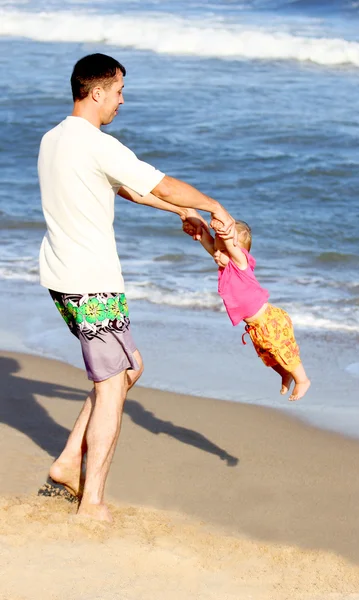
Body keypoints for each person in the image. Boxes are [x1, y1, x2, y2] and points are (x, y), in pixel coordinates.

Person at [37, 53, 235, 522]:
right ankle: (93, 503)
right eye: (119, 91)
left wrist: (179, 213)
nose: (122, 100)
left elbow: (124, 187)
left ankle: (67, 463)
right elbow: (161, 183)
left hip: (63, 279)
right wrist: (212, 206)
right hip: (92, 285)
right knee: (111, 386)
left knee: (129, 368)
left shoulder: (54, 139)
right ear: (98, 91)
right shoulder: (96, 143)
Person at [182, 220, 311, 401]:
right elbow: (212, 245)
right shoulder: (225, 263)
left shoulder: (241, 263)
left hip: (269, 320)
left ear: (236, 249)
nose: (217, 254)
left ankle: (302, 379)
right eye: (217, 251)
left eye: (223, 250)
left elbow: (231, 248)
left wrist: (224, 232)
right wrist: (202, 235)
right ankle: (285, 373)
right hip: (255, 327)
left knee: (282, 349)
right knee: (267, 355)